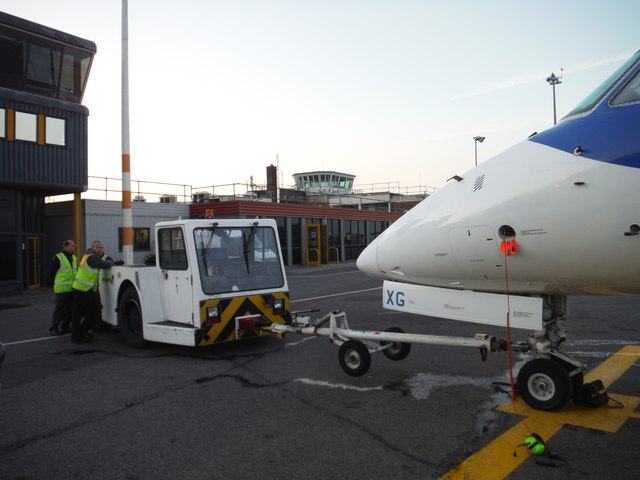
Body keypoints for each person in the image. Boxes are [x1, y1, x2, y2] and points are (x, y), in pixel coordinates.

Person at [70, 241, 122, 343]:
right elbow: (102, 264)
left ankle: (76, 336)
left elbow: (103, 262)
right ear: (92, 248)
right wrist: (111, 263)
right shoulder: (91, 256)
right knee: (94, 311)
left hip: (80, 288)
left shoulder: (90, 256)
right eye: (97, 247)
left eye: (101, 247)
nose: (99, 249)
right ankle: (81, 332)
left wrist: (114, 262)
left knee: (77, 314)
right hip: (84, 289)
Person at [48, 239, 77, 335]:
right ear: (66, 246)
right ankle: (53, 328)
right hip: (62, 289)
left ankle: (65, 327)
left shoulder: (74, 258)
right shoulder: (58, 257)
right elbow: (52, 272)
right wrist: (52, 284)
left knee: (70, 309)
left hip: (72, 289)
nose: (74, 247)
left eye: (74, 245)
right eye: (72, 245)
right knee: (59, 309)